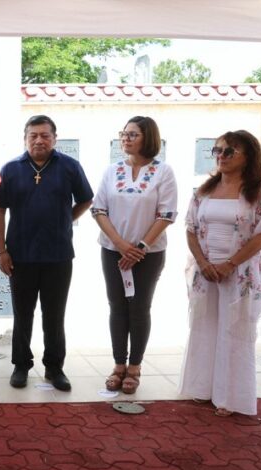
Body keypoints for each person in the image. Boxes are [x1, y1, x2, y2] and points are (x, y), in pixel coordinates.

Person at [0, 114, 94, 392]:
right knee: (22, 314)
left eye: (45, 135)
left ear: (54, 138)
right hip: (20, 256)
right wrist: (1, 251)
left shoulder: (70, 167)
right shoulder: (10, 169)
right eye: (33, 135)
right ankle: (21, 365)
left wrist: (66, 219)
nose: (39, 140)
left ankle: (54, 367)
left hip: (58, 255)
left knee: (54, 315)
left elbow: (86, 199)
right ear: (25, 139)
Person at [180, 130, 261, 417]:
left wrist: (230, 264)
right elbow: (190, 229)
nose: (221, 156)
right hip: (206, 270)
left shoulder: (260, 191)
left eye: (229, 151)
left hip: (240, 272)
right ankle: (202, 388)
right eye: (217, 150)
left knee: (236, 330)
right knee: (205, 325)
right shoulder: (203, 189)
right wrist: (204, 263)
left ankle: (230, 397)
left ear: (248, 156)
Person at [90, 116, 178, 394]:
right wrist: (119, 244)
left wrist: (139, 248)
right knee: (117, 306)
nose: (125, 139)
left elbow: (166, 214)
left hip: (147, 255)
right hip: (112, 251)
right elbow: (98, 209)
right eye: (123, 134)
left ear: (148, 138)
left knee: (139, 308)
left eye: (132, 134)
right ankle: (118, 365)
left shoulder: (163, 172)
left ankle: (135, 366)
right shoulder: (112, 169)